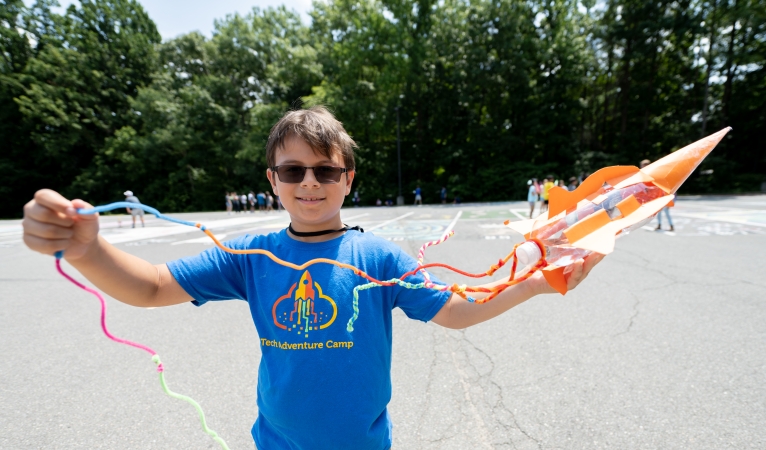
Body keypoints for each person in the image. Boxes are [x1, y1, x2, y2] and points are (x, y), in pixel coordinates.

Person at [21, 106, 602, 450]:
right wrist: (86, 250)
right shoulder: (250, 253)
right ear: (272, 179)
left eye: (326, 170)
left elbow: (456, 309)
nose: (310, 182)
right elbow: (148, 287)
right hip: (277, 443)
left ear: (348, 179)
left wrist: (536, 282)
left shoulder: (378, 255)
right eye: (293, 169)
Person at [640, 159, 674, 231]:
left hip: (662, 194)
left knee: (666, 211)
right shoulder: (643, 175)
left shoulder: (654, 173)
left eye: (644, 166)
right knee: (659, 212)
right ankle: (659, 224)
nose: (642, 168)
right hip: (656, 195)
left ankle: (671, 225)